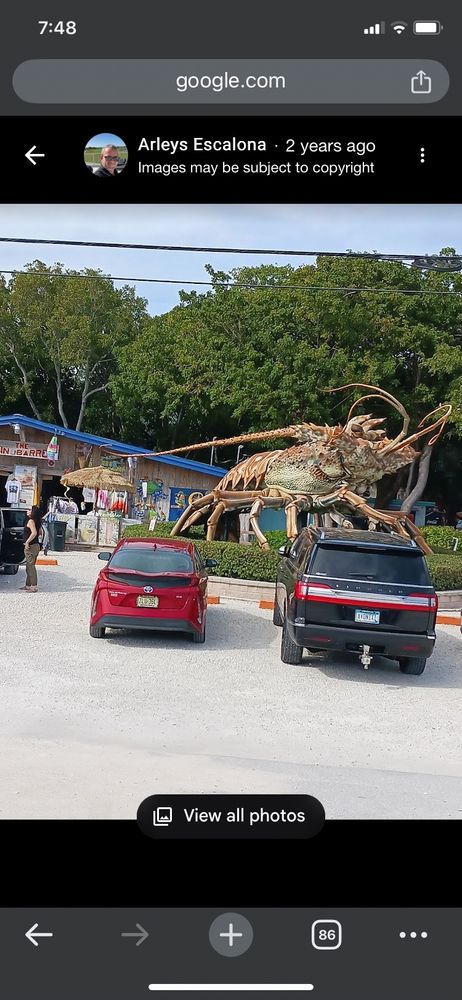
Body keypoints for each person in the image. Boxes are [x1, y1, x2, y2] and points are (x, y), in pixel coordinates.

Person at [20, 505, 42, 592]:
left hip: (31, 546)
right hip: (36, 545)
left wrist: (27, 542)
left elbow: (34, 533)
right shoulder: (37, 522)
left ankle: (34, 586)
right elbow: (40, 532)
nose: (27, 510)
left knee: (30, 566)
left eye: (29, 509)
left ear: (33, 512)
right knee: (29, 566)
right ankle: (28, 585)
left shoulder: (31, 521)